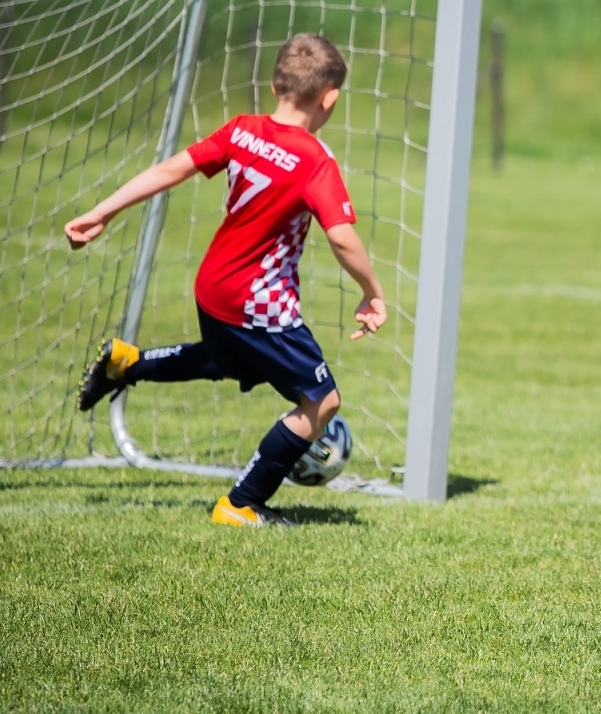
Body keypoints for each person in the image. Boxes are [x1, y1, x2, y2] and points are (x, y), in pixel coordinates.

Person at [64, 33, 386, 528]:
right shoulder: (314, 160)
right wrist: (372, 292)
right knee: (322, 400)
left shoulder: (242, 130)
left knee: (224, 359)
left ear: (276, 84)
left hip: (212, 287)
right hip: (258, 302)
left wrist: (101, 212)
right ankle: (241, 504)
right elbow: (342, 239)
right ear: (331, 98)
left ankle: (127, 364)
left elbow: (174, 167)